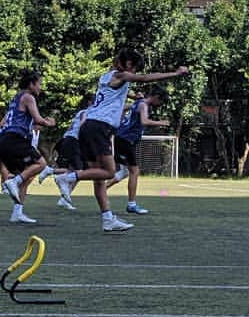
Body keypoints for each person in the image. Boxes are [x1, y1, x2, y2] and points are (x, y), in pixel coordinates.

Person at [54, 49, 190, 232]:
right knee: (109, 172)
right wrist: (175, 73)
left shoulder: (107, 76)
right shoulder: (122, 75)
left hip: (89, 127)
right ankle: (67, 177)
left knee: (98, 178)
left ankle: (107, 218)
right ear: (128, 64)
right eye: (134, 67)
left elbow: (116, 95)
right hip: (99, 127)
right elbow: (145, 78)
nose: (134, 71)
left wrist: (134, 96)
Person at [0, 71, 56, 224]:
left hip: (4, 140)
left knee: (27, 177)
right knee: (41, 164)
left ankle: (17, 212)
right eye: (39, 84)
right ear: (31, 84)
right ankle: (13, 182)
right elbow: (37, 119)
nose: (40, 88)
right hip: (15, 139)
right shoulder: (29, 97)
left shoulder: (17, 97)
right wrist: (50, 123)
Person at [108, 87, 171, 216]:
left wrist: (120, 122)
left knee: (124, 172)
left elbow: (125, 108)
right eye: (161, 101)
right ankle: (131, 205)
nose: (160, 105)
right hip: (126, 140)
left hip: (123, 138)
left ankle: (102, 189)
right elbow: (144, 121)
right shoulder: (143, 105)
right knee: (134, 171)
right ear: (156, 97)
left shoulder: (139, 102)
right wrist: (162, 123)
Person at [37, 97, 89, 210]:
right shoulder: (87, 112)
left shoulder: (79, 113)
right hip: (74, 141)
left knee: (75, 173)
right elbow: (82, 125)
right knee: (79, 172)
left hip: (68, 140)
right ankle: (50, 171)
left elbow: (71, 127)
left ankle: (64, 199)